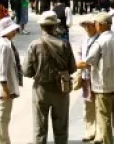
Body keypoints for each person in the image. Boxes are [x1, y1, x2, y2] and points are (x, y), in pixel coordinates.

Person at [24, 12, 77, 144]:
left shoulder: (34, 45)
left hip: (41, 90)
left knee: (39, 129)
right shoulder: (64, 44)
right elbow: (72, 68)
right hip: (61, 89)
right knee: (61, 129)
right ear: (55, 26)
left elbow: (26, 71)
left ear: (41, 26)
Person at [77, 13, 114, 144]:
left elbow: (88, 62)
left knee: (104, 118)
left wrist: (72, 65)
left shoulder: (100, 42)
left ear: (99, 25)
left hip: (104, 87)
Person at [0, 17, 23, 144]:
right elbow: (1, 69)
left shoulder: (6, 43)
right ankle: (2, 142)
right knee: (3, 118)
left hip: (5, 86)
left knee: (2, 116)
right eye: (13, 30)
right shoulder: (4, 46)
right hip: (4, 88)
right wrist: (5, 88)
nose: (15, 31)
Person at [78, 20, 100, 143]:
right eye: (85, 25)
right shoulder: (83, 39)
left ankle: (99, 130)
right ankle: (89, 130)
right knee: (87, 104)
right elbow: (79, 53)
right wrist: (80, 62)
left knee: (99, 104)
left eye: (89, 25)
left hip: (97, 76)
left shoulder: (100, 39)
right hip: (86, 76)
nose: (87, 28)